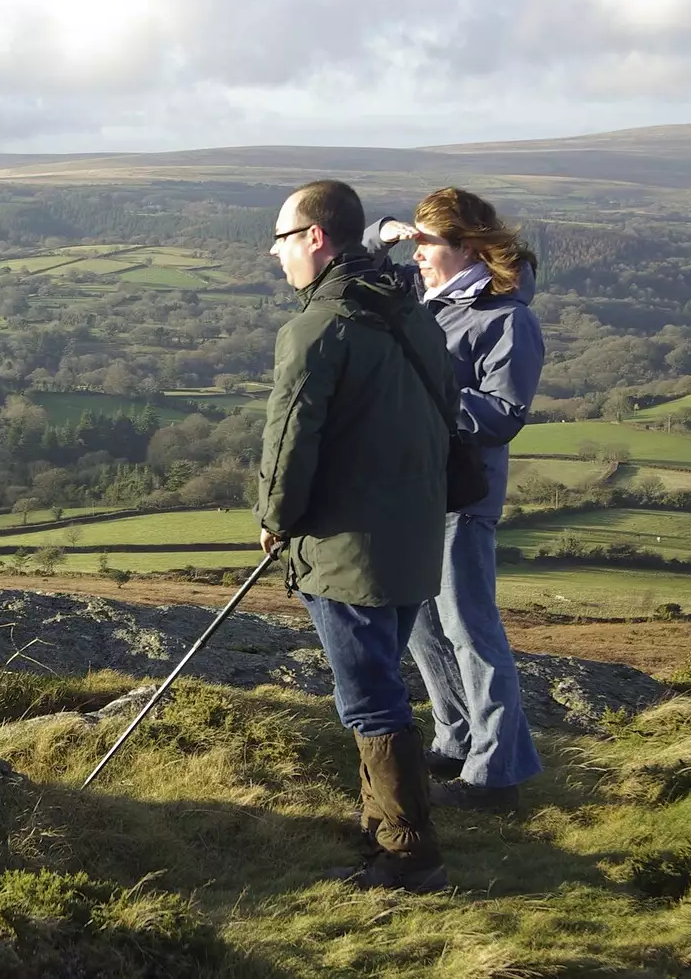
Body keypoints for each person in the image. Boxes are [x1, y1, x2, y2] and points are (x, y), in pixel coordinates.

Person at [255, 179, 458, 892]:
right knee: (382, 683)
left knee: (370, 695)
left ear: (315, 237)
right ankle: (381, 831)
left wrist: (276, 518)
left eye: (281, 240)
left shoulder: (318, 328)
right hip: (411, 536)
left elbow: (288, 439)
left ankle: (407, 851)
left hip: (349, 545)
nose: (276, 256)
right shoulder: (408, 312)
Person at [366, 187, 546, 811]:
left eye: (427, 242)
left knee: (469, 628)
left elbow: (503, 414)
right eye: (412, 240)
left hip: (461, 494)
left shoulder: (506, 318)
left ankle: (497, 777)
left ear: (466, 248)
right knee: (417, 623)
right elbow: (362, 269)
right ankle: (457, 737)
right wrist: (385, 232)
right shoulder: (427, 298)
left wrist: (426, 401)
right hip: (413, 490)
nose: (416, 253)